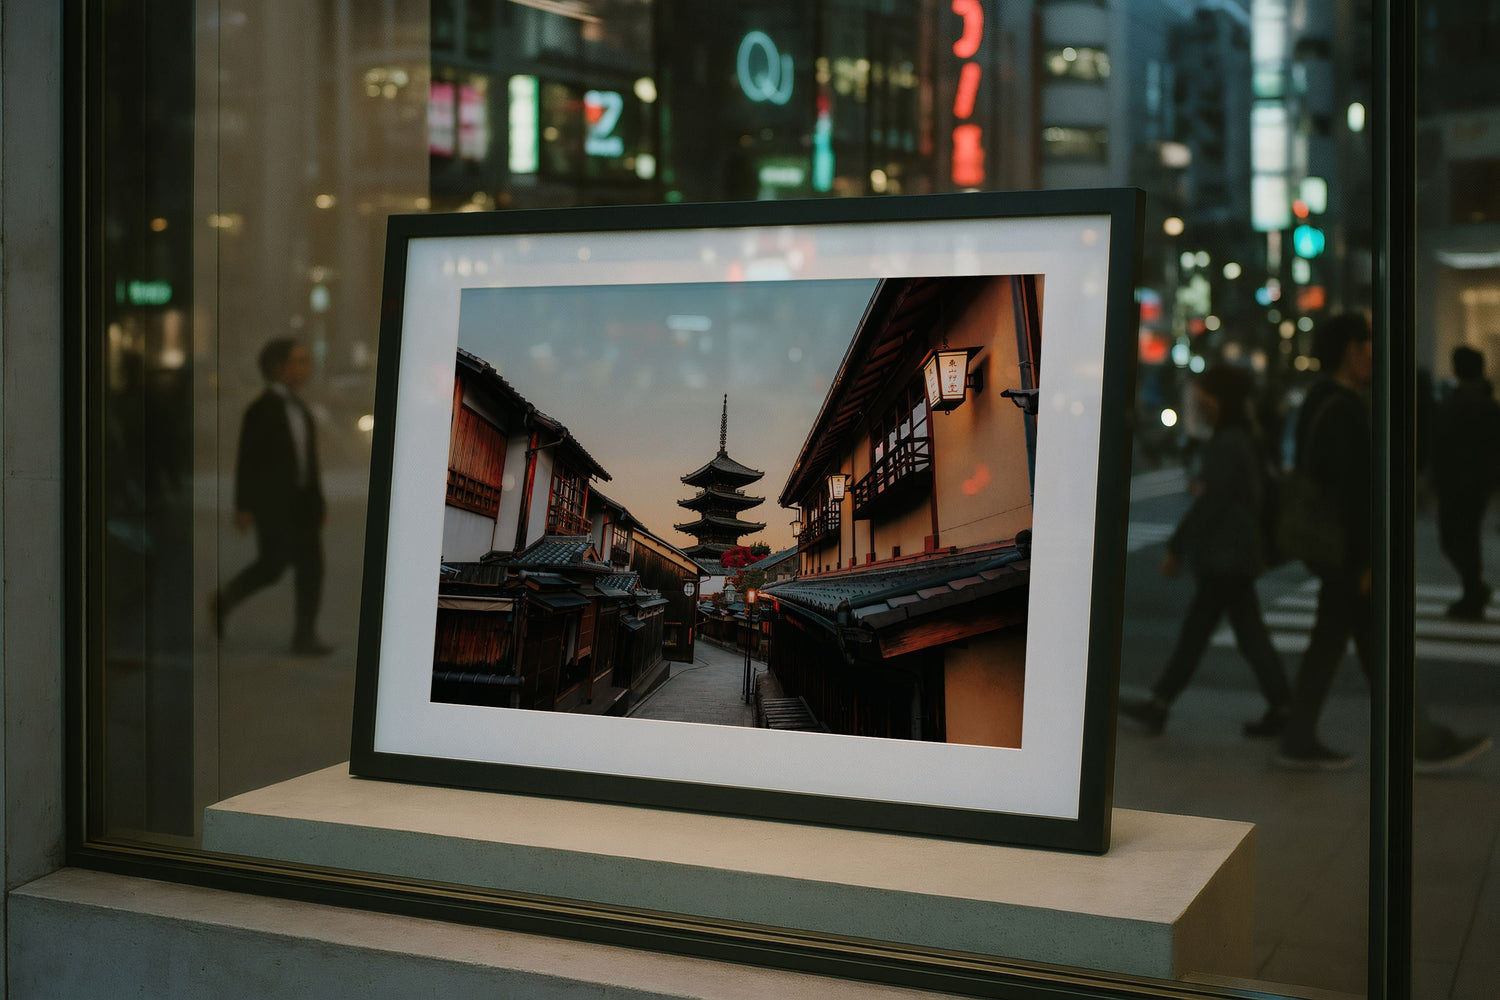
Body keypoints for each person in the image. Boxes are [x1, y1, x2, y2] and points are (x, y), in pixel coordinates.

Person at [1276, 313, 1490, 771]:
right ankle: (1420, 742)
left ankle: (1303, 736)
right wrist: (1366, 561)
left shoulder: (1317, 400)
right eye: (1368, 343)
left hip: (1329, 549)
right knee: (1379, 648)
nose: (1375, 353)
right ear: (1352, 350)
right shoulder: (1347, 409)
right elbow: (1356, 493)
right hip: (1348, 554)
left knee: (1348, 644)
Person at [1120, 365, 1291, 737]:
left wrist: (1178, 545)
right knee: (1231, 632)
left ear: (1220, 398)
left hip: (1227, 555)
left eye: (1206, 395)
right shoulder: (1238, 436)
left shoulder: (1230, 441)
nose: (1200, 401)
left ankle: (1161, 705)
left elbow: (1214, 502)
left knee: (1217, 633)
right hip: (1232, 554)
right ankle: (1282, 707)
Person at [211, 339, 332, 655]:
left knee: (312, 568)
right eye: (299, 360)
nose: (306, 367)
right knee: (272, 565)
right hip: (275, 505)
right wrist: (244, 506)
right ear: (278, 366)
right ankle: (224, 599)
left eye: (307, 360)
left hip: (304, 504)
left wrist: (318, 501)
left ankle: (304, 637)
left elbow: (308, 461)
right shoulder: (261, 409)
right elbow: (247, 460)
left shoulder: (301, 408)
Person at [1430, 345, 1500, 620]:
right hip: (1476, 484)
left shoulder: (1459, 402)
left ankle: (1474, 591)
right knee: (1466, 539)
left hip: (1458, 484)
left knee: (1455, 538)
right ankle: (1473, 590)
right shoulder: (1487, 404)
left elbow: (1443, 444)